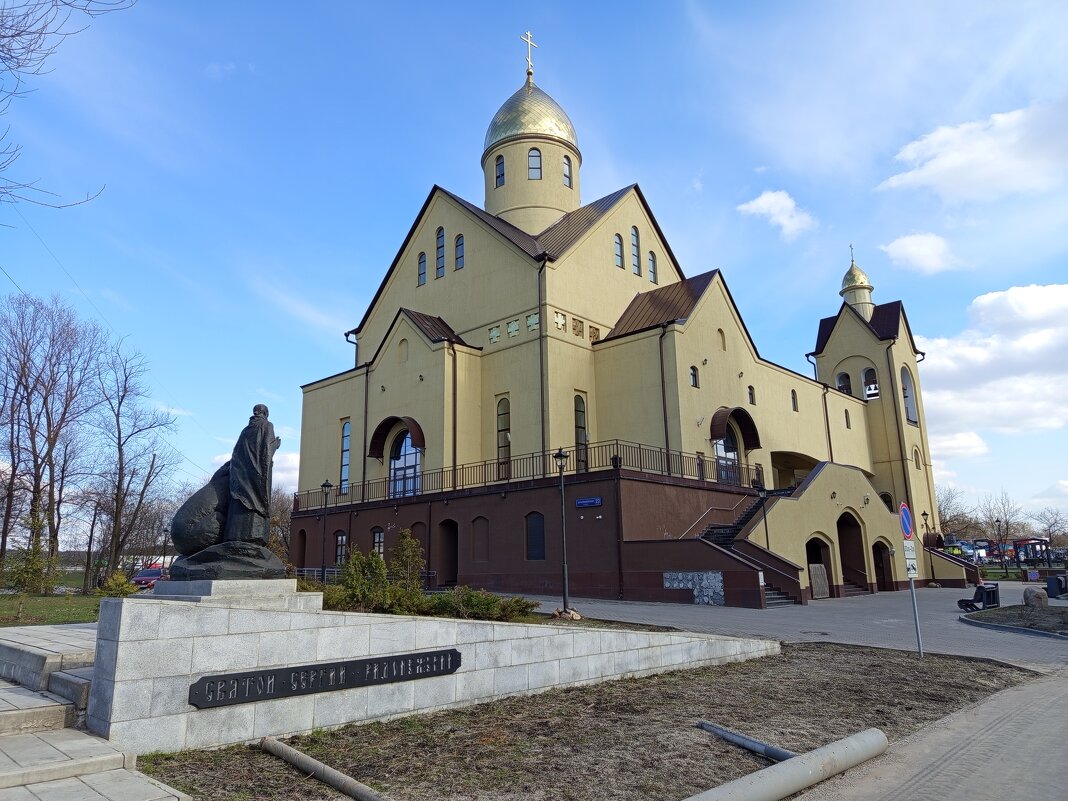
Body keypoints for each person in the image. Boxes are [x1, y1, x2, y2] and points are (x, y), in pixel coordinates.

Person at [224, 404, 281, 546]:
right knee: (257, 500)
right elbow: (267, 449)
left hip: (241, 475)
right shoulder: (267, 425)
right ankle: (253, 536)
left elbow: (235, 453)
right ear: (266, 413)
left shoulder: (245, 431)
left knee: (240, 502)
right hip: (258, 474)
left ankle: (235, 534)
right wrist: (276, 445)